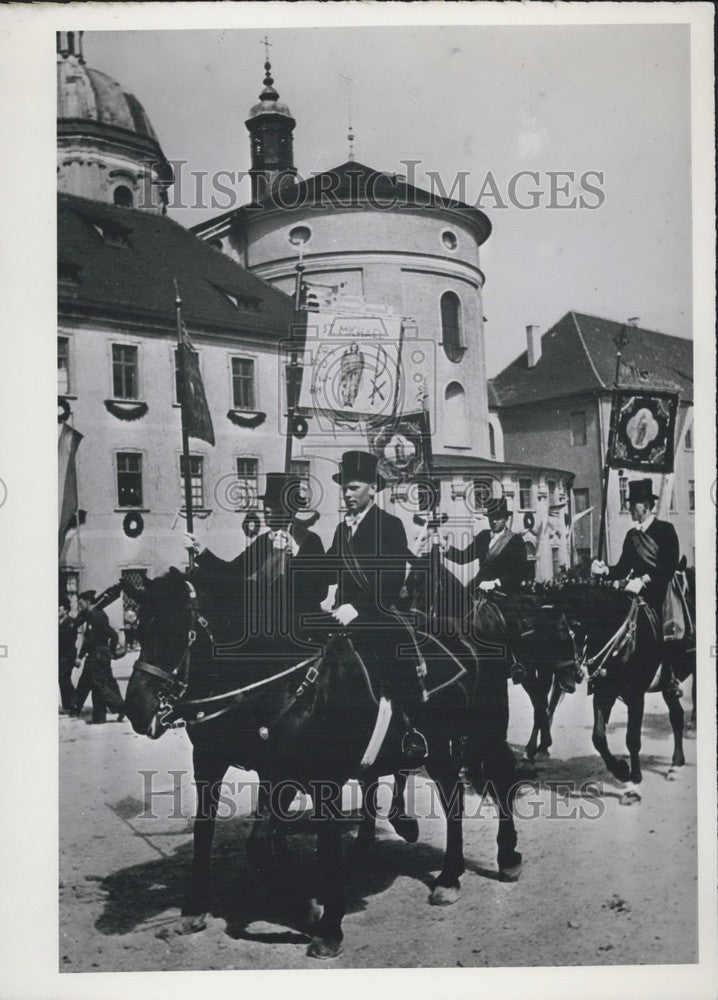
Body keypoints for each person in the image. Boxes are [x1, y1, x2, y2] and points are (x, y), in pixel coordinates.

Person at [316, 450, 427, 766]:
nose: (347, 494)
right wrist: (295, 553)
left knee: (391, 660)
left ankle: (410, 730)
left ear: (372, 489)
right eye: (344, 488)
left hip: (378, 613)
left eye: (353, 487)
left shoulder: (389, 525)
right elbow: (325, 569)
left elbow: (390, 580)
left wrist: (356, 608)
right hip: (342, 617)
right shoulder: (341, 530)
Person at [186, 472, 326, 648]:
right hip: (262, 634)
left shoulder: (309, 541)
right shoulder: (263, 541)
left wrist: (296, 556)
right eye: (266, 504)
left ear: (289, 509)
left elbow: (319, 590)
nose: (266, 509)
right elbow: (232, 572)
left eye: (273, 505)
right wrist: (201, 551)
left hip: (297, 635)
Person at [591, 477, 681, 692]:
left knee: (667, 624)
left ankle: (670, 674)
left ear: (648, 506)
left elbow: (669, 566)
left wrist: (644, 580)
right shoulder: (632, 536)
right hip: (633, 592)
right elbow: (622, 568)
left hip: (659, 591)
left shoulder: (665, 530)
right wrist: (605, 571)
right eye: (630, 504)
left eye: (635, 504)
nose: (630, 508)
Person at [441, 497, 528, 684]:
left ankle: (516, 662)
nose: (493, 521)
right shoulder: (482, 536)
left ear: (506, 519)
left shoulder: (515, 541)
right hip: (478, 587)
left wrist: (496, 582)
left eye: (497, 517)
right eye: (491, 517)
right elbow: (464, 557)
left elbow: (519, 571)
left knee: (510, 619)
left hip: (503, 592)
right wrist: (446, 548)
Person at [69, 590, 124, 724]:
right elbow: (114, 635)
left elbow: (90, 639)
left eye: (80, 602)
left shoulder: (94, 615)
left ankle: (119, 708)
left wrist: (80, 657)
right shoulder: (99, 614)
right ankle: (76, 708)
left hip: (96, 655)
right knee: (86, 680)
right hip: (101, 654)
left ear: (87, 601)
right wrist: (109, 651)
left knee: (100, 685)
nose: (79, 604)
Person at [58, 600, 79, 712]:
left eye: (59, 609)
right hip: (61, 655)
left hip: (67, 655)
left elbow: (67, 639)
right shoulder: (59, 622)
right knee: (63, 678)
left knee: (63, 678)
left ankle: (74, 702)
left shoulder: (70, 622)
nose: (57, 611)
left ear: (65, 610)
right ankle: (69, 704)